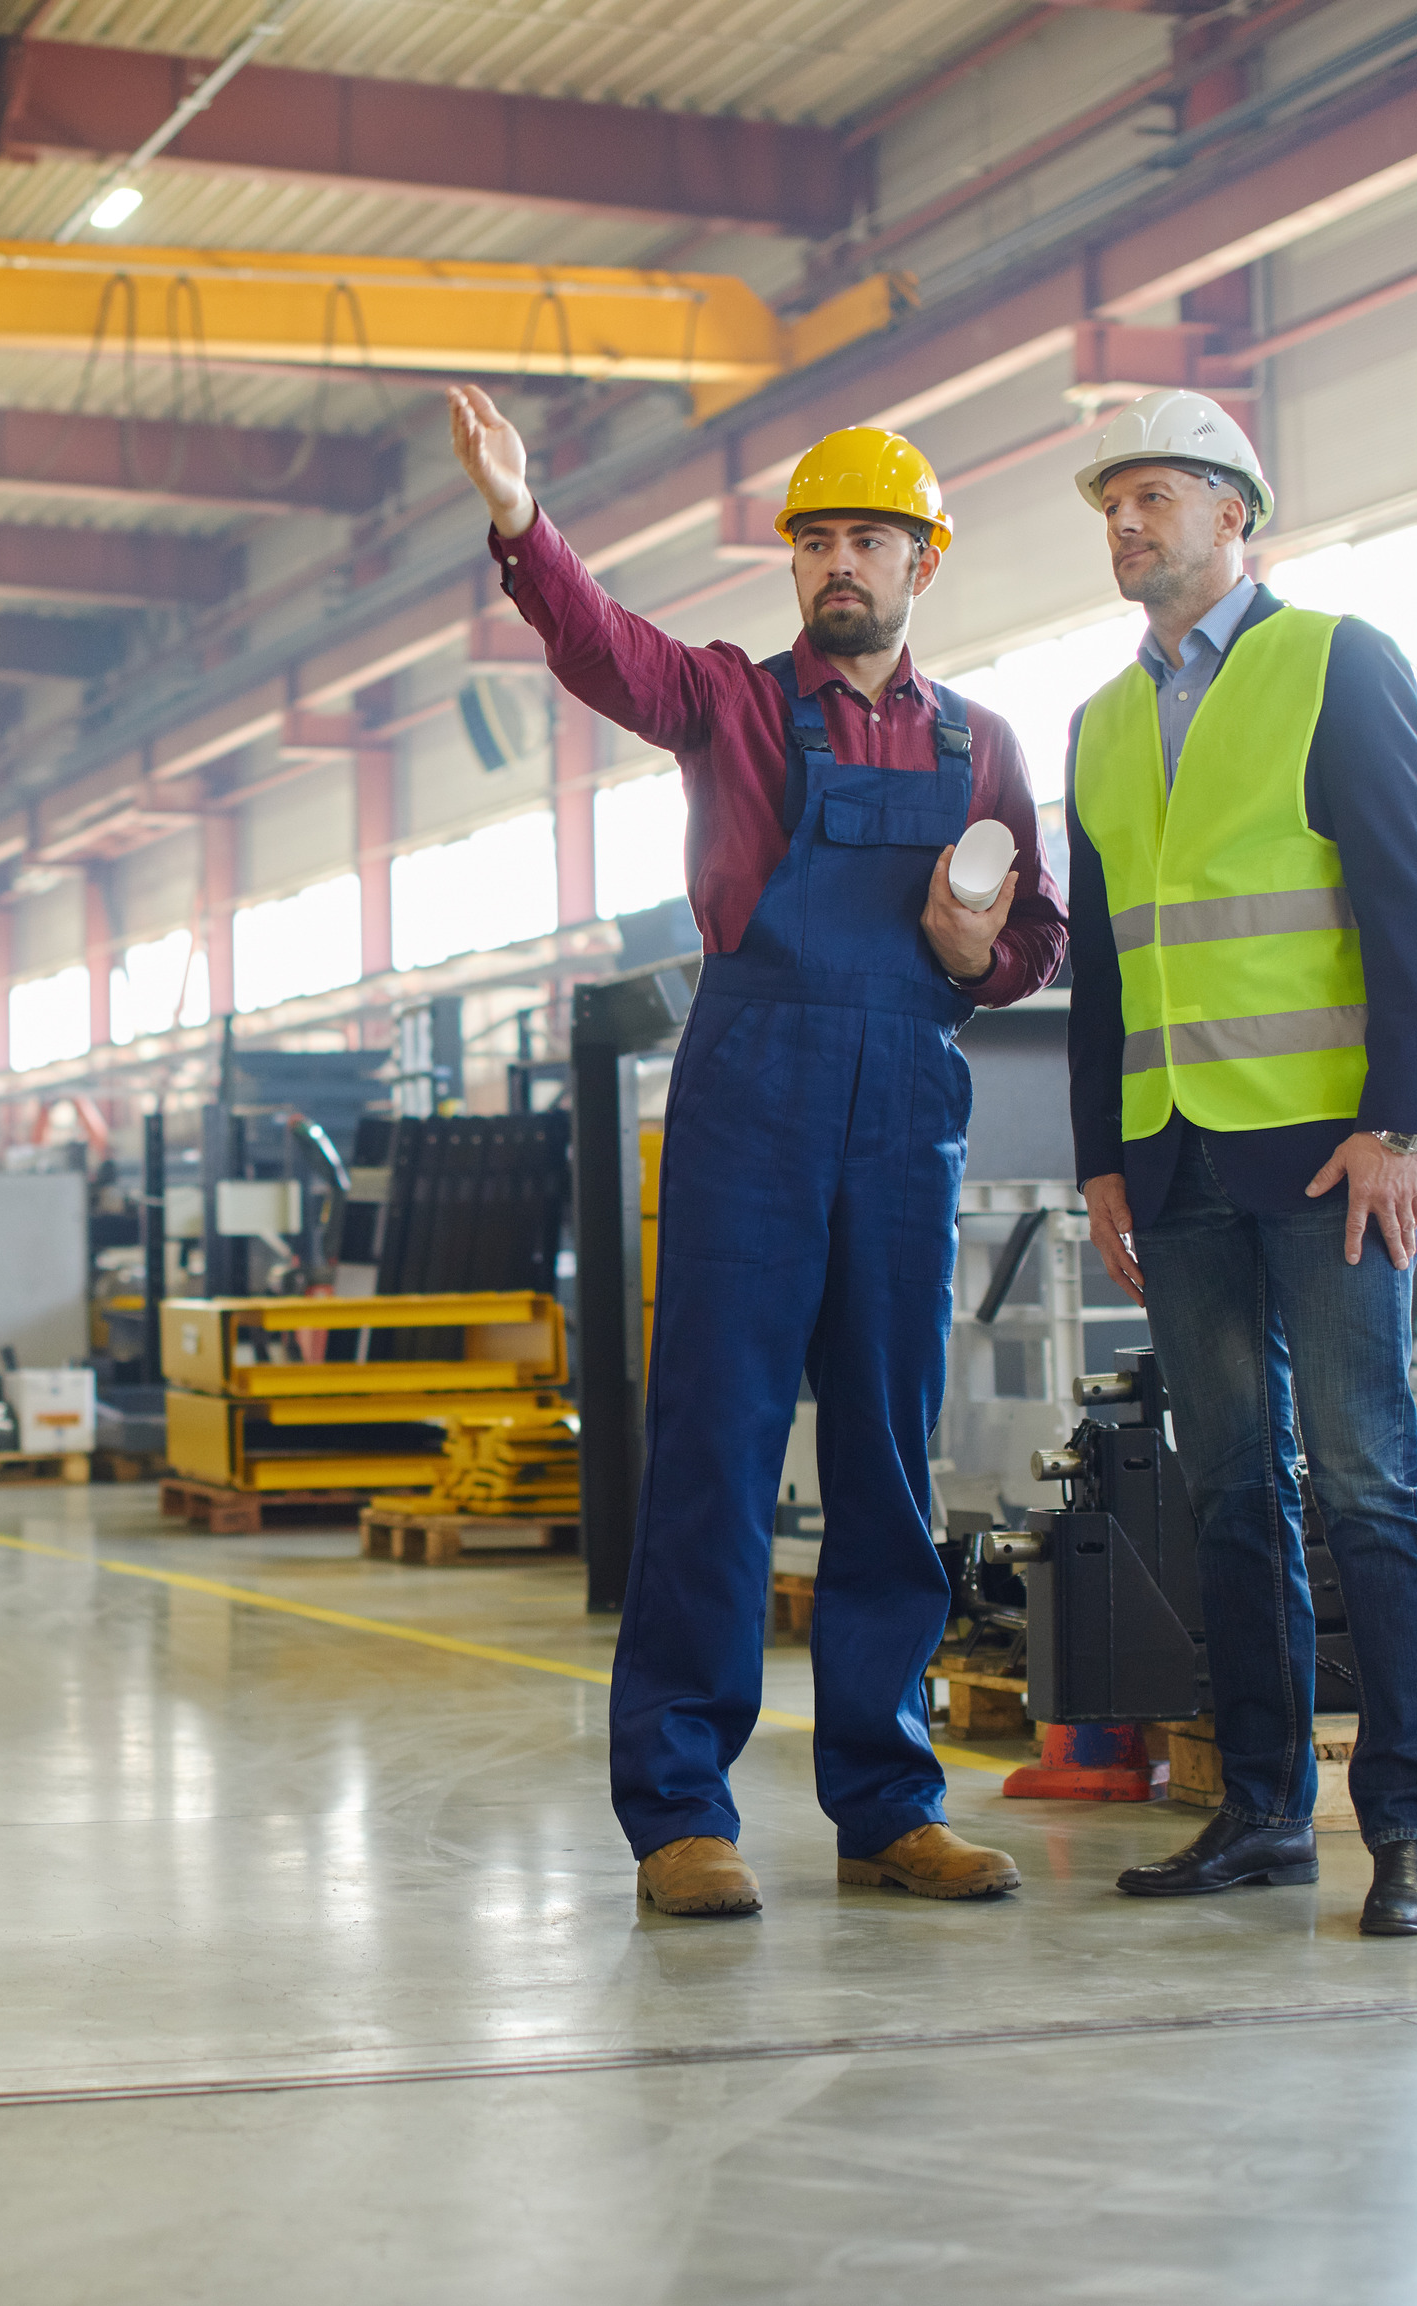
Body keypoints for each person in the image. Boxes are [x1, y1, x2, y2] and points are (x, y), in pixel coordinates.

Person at [450, 383, 1067, 1919]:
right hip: (753, 1095)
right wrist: (524, 522)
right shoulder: (730, 699)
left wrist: (976, 945)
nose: (838, 564)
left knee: (886, 1457)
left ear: (925, 562)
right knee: (715, 1454)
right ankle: (680, 1813)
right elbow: (605, 649)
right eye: (816, 542)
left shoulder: (983, 745)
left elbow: (1036, 938)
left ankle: (889, 1800)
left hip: (904, 1106)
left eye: (869, 539)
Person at [1058, 389, 1417, 1936]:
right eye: (1112, 504)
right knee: (1230, 1490)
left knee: (1370, 1485)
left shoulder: (1333, 662)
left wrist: (1401, 1123)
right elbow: (1104, 963)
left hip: (1327, 1154)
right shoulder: (1101, 724)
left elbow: (1414, 908)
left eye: (1156, 494)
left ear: (1237, 512)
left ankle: (1413, 1827)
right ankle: (1263, 1811)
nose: (1129, 523)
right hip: (1173, 1164)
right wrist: (1102, 1153)